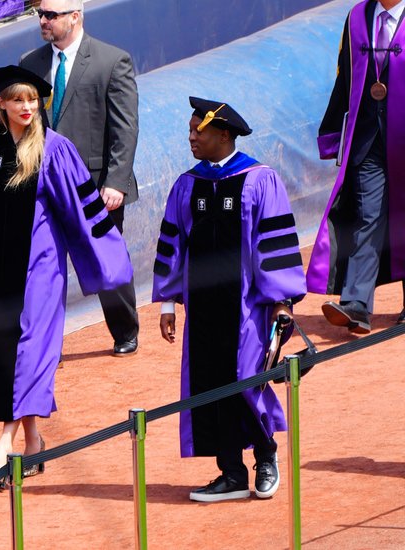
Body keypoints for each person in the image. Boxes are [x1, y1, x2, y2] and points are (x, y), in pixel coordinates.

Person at [0, 65, 132, 482]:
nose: (26, 107)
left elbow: (81, 209)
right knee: (3, 352)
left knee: (30, 352)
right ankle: (34, 444)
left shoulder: (54, 148)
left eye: (33, 100)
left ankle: (4, 446)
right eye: (18, 99)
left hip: (39, 271)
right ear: (1, 103)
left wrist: (106, 260)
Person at [152, 98, 307, 502]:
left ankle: (266, 455)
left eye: (197, 132)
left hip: (248, 309)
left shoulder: (259, 179)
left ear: (223, 135)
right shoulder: (187, 184)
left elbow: (272, 244)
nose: (190, 138)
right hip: (203, 309)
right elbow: (174, 243)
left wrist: (281, 301)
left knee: (245, 381)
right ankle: (231, 473)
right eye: (189, 131)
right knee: (209, 384)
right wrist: (168, 302)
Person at [20, 0, 140, 356]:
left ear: (75, 17)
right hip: (44, 186)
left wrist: (115, 182)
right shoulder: (31, 64)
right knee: (43, 266)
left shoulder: (111, 61)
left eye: (51, 15)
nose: (44, 21)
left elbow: (125, 129)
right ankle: (44, 344)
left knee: (105, 261)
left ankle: (125, 330)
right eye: (40, 14)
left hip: (96, 187)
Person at [308, 0, 405, 332]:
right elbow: (345, 76)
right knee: (368, 216)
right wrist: (334, 133)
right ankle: (358, 304)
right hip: (368, 138)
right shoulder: (358, 17)